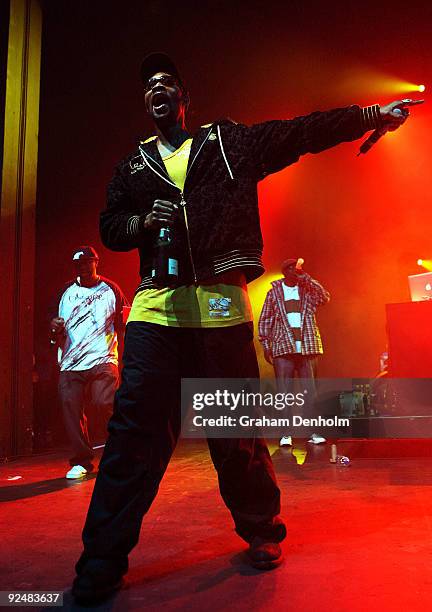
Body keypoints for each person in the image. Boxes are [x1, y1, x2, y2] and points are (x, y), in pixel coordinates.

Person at [71, 51, 419, 602]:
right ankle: (100, 560)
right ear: (147, 104)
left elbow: (300, 132)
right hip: (155, 314)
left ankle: (261, 530)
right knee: (133, 438)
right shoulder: (134, 166)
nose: (156, 91)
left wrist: (371, 114)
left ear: (184, 98)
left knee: (234, 434)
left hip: (219, 312)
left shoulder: (227, 145)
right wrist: (141, 222)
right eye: (148, 87)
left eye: (167, 83)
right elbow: (111, 226)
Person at [50, 246, 126, 479]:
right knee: (71, 410)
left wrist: (126, 355)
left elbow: (126, 321)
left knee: (105, 404)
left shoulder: (111, 289)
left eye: (86, 262)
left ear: (96, 262)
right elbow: (55, 327)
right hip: (71, 362)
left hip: (103, 358)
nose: (83, 267)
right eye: (78, 264)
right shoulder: (66, 291)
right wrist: (54, 331)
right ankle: (81, 461)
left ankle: (119, 456)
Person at [259, 258, 329, 447]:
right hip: (284, 348)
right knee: (284, 394)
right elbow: (265, 318)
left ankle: (313, 432)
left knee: (310, 393)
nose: (294, 271)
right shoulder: (274, 292)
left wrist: (306, 277)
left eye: (296, 269)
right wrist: (266, 344)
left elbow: (324, 297)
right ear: (284, 271)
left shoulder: (306, 289)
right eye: (291, 268)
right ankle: (286, 434)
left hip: (307, 347)